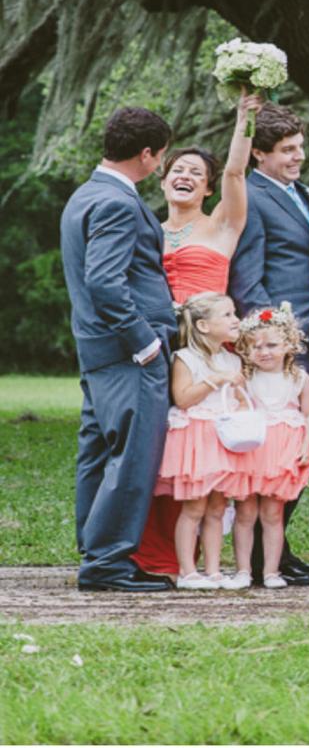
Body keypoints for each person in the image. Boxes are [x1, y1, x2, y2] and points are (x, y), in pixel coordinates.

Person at [132, 91, 260, 578]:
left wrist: (244, 120)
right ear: (163, 181)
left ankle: (200, 559)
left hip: (205, 349)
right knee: (156, 443)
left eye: (195, 174)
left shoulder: (223, 227)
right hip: (156, 345)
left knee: (201, 448)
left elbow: (235, 174)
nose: (184, 177)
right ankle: (149, 550)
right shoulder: (147, 228)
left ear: (208, 189)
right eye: (177, 171)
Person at [60, 106, 177, 593]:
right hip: (128, 351)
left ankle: (96, 549)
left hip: (98, 349)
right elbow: (106, 283)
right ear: (146, 154)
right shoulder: (117, 202)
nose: (163, 165)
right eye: (163, 155)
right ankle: (107, 563)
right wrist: (144, 341)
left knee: (99, 451)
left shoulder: (86, 194)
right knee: (132, 455)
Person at [229, 102, 309, 586]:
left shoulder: (301, 194)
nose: (299, 156)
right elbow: (248, 281)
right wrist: (274, 344)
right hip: (289, 345)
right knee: (280, 450)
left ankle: (277, 549)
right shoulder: (250, 197)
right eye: (288, 150)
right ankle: (258, 557)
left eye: (300, 146)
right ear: (258, 154)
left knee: (305, 446)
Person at [158, 292, 249, 590]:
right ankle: (187, 571)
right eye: (227, 315)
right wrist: (215, 379)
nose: (236, 320)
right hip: (197, 441)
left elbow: (241, 400)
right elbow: (182, 399)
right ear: (203, 326)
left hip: (224, 439)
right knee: (194, 508)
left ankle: (213, 570)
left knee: (217, 508)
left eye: (234, 313)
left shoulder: (233, 359)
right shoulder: (185, 358)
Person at [232, 303, 309, 589]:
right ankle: (243, 570)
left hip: (282, 451)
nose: (264, 351)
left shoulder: (299, 378)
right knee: (245, 513)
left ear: (289, 344)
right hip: (252, 449)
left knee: (272, 514)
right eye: (255, 346)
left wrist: (307, 447)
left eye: (271, 345)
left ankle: (271, 571)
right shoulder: (245, 377)